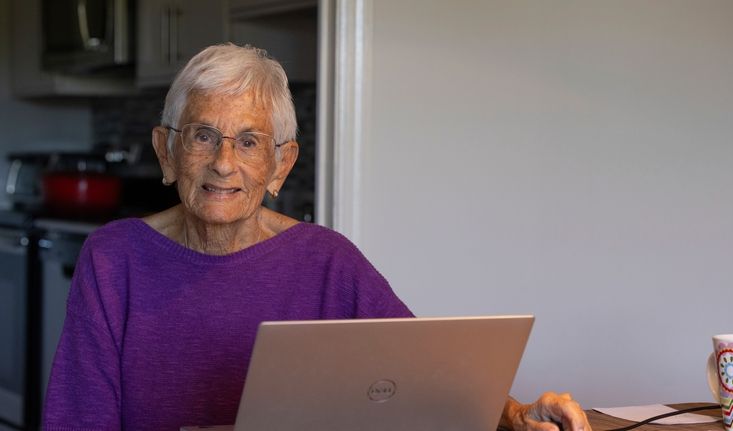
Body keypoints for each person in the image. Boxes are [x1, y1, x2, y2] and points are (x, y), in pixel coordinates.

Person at [42, 43, 591, 431]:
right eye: (204, 136)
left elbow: (430, 373)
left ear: (281, 166)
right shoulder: (113, 259)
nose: (224, 163)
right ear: (167, 151)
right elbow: (76, 420)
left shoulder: (327, 260)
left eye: (250, 142)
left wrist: (515, 415)